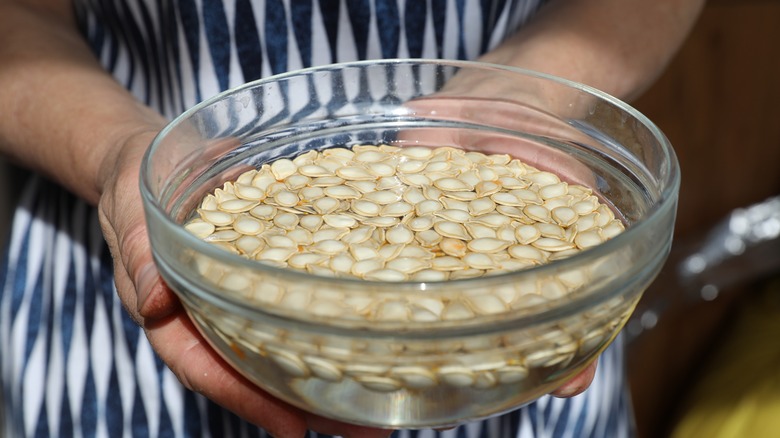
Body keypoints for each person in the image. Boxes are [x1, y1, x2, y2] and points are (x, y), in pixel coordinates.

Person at [0, 0, 703, 437]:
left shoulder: (521, 229)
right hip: (143, 292)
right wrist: (118, 150)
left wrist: (529, 87)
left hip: (524, 328)